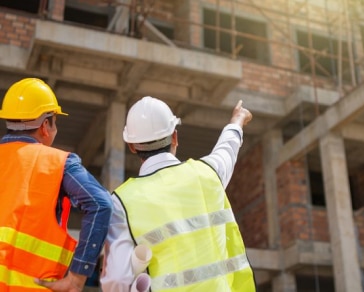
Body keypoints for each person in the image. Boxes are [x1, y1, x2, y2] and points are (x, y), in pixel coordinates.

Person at [100, 96, 256, 291]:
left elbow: (117, 280)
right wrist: (237, 120)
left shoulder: (121, 202)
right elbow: (227, 149)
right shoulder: (207, 173)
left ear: (132, 146)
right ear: (175, 137)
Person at [0, 78, 113, 291]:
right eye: (55, 121)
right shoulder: (59, 163)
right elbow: (100, 204)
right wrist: (77, 277)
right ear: (45, 126)